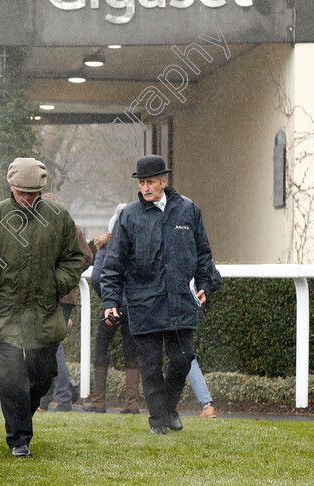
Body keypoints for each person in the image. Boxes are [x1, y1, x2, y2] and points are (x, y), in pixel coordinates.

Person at [101, 155, 215, 434]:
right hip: (143, 302)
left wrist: (205, 284)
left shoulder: (189, 210)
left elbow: (204, 256)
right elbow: (113, 263)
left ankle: (167, 409)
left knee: (183, 358)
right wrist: (111, 302)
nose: (145, 187)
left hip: (180, 301)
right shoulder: (128, 215)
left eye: (150, 181)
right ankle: (158, 422)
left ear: (164, 180)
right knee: (150, 367)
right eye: (142, 182)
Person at [0, 158, 84, 458]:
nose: (27, 198)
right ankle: (18, 439)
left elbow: (75, 258)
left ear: (41, 190)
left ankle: (20, 423)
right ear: (11, 187)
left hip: (44, 311)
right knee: (11, 375)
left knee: (42, 375)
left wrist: (57, 283)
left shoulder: (57, 216)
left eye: (33, 193)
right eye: (21, 192)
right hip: (6, 311)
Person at [37, 208, 93, 413]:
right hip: (65, 295)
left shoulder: (43, 229)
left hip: (50, 295)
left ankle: (63, 400)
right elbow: (87, 257)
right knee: (49, 347)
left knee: (52, 347)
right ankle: (48, 399)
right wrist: (70, 275)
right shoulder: (73, 228)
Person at [84, 229, 141, 414]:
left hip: (111, 307)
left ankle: (99, 401)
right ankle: (132, 403)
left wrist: (108, 301)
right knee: (132, 352)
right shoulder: (138, 246)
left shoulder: (105, 247)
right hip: (132, 307)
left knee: (101, 350)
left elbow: (96, 278)